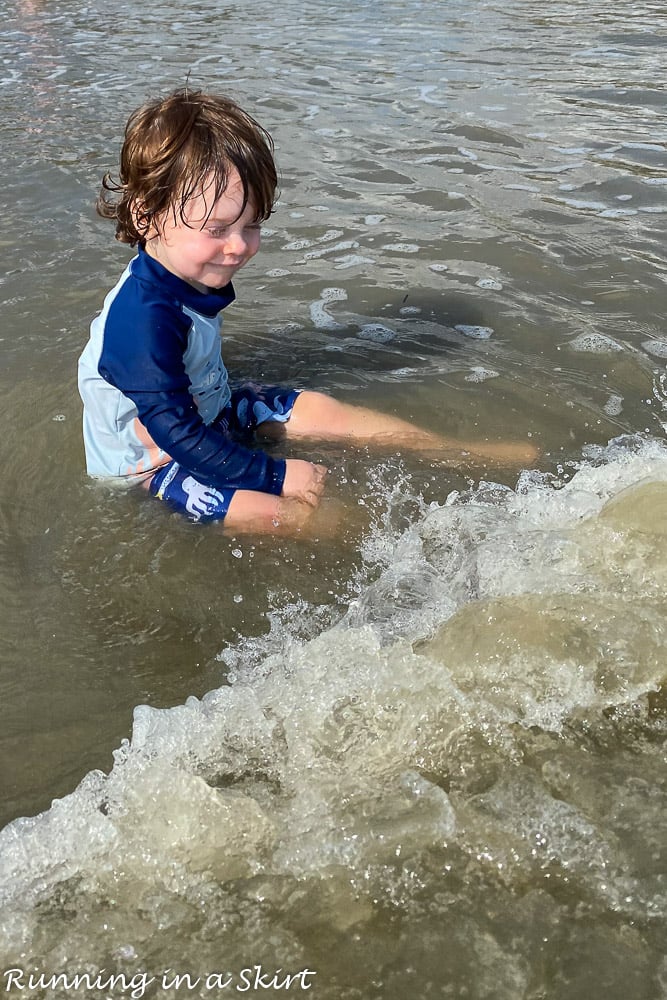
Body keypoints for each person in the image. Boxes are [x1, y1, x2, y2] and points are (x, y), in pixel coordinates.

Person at [78, 87, 537, 535]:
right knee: (287, 515)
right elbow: (175, 433)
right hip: (157, 461)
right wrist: (274, 476)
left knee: (321, 409)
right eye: (217, 228)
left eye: (251, 224)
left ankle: (455, 451)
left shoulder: (183, 267)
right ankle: (420, 536)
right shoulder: (140, 321)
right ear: (144, 215)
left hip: (210, 410)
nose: (238, 246)